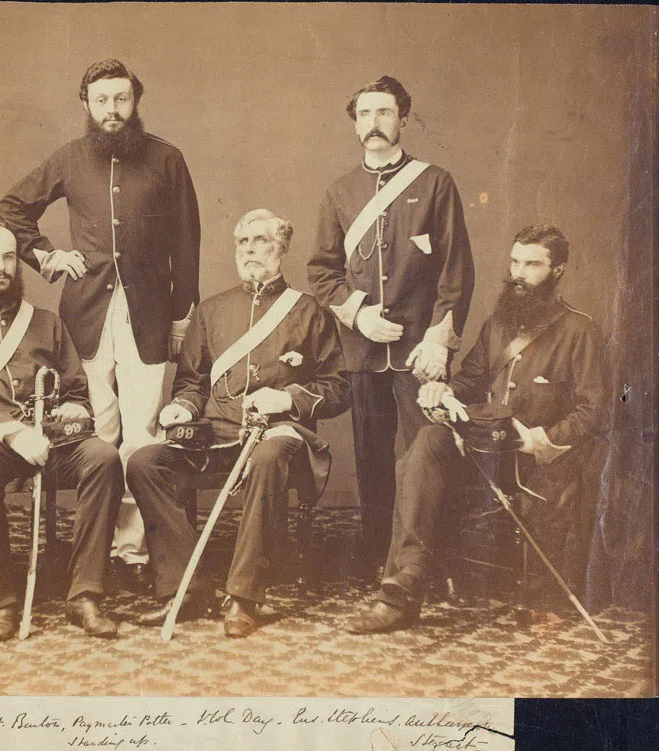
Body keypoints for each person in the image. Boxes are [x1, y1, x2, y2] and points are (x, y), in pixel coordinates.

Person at [0, 59, 200, 589]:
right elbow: (13, 209)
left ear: (136, 101)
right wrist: (44, 256)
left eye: (122, 100)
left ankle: (132, 554)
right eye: (102, 100)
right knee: (97, 432)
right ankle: (95, 554)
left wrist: (181, 316)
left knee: (143, 434)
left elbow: (188, 244)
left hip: (151, 315)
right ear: (85, 102)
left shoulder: (167, 158)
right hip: (85, 313)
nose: (113, 111)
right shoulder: (69, 157)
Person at [347, 225, 609, 634]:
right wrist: (443, 390)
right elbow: (470, 379)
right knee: (428, 442)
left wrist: (537, 440)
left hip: (537, 461)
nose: (519, 274)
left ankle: (530, 593)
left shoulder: (581, 331)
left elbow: (593, 413)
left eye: (533, 265)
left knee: (427, 456)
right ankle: (403, 587)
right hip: (485, 452)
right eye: (515, 262)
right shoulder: (498, 324)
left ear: (558, 271)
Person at [127, 209, 351, 638]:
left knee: (268, 456)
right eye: (243, 243)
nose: (250, 251)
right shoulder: (211, 311)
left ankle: (244, 596)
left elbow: (339, 388)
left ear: (281, 248)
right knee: (144, 462)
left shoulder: (308, 311)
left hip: (278, 434)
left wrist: (287, 397)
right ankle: (185, 587)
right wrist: (185, 409)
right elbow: (192, 382)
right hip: (216, 434)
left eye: (261, 242)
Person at [0, 221, 124, 642]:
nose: (2, 267)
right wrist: (12, 433)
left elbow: (77, 392)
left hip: (52, 436)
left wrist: (72, 407)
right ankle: (1, 599)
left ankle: (84, 594)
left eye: (9, 257)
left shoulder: (48, 323)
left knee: (103, 458)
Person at [308, 75, 475, 575]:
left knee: (426, 456)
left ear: (403, 118)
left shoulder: (434, 182)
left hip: (420, 353)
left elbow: (456, 271)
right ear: (355, 123)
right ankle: (377, 558)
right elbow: (321, 270)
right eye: (364, 114)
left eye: (384, 113)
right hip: (362, 352)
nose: (373, 123)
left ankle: (424, 563)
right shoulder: (340, 191)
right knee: (373, 460)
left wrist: (438, 342)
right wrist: (358, 314)